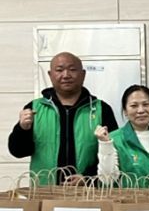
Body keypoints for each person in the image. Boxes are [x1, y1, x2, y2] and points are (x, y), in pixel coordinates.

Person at [8, 51, 118, 185]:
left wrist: (87, 177)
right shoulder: (34, 108)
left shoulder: (101, 109)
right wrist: (22, 129)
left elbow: (113, 153)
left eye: (72, 69)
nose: (66, 75)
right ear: (50, 75)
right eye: (59, 70)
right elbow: (18, 152)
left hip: (89, 192)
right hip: (44, 191)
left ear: (83, 74)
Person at [94, 85, 149, 185]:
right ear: (125, 111)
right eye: (134, 106)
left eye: (146, 104)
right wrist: (105, 144)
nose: (141, 110)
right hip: (128, 196)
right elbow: (107, 180)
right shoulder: (113, 139)